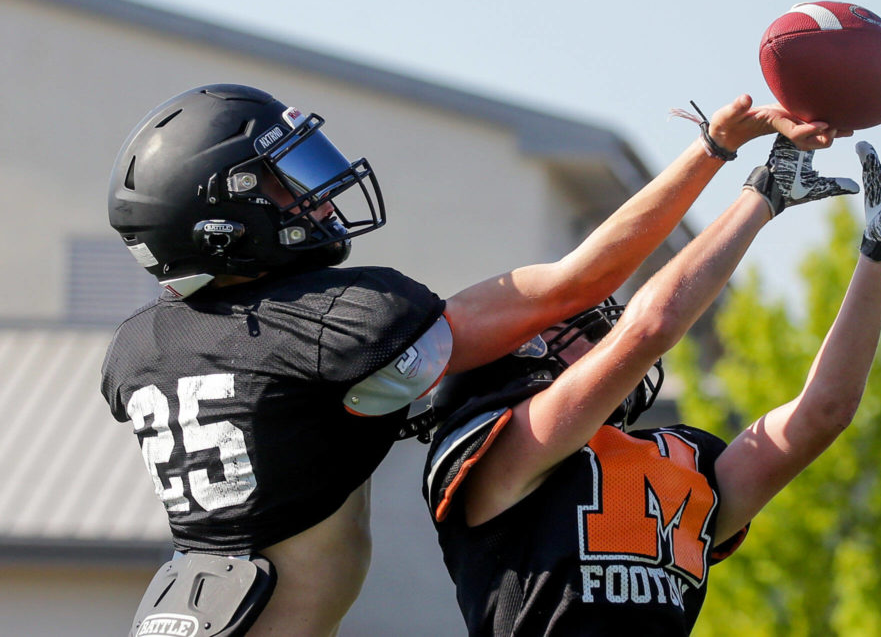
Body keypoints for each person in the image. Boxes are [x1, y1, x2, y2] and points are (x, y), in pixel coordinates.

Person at [100, 82, 841, 636]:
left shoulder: (141, 346)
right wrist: (712, 153)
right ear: (224, 224)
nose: (313, 199)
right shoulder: (327, 327)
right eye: (278, 182)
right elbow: (578, 282)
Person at [423, 122, 881, 635]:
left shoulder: (677, 457)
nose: (601, 326)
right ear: (525, 355)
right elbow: (650, 328)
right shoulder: (499, 451)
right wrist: (764, 194)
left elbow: (826, 411)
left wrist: (879, 249)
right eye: (577, 325)